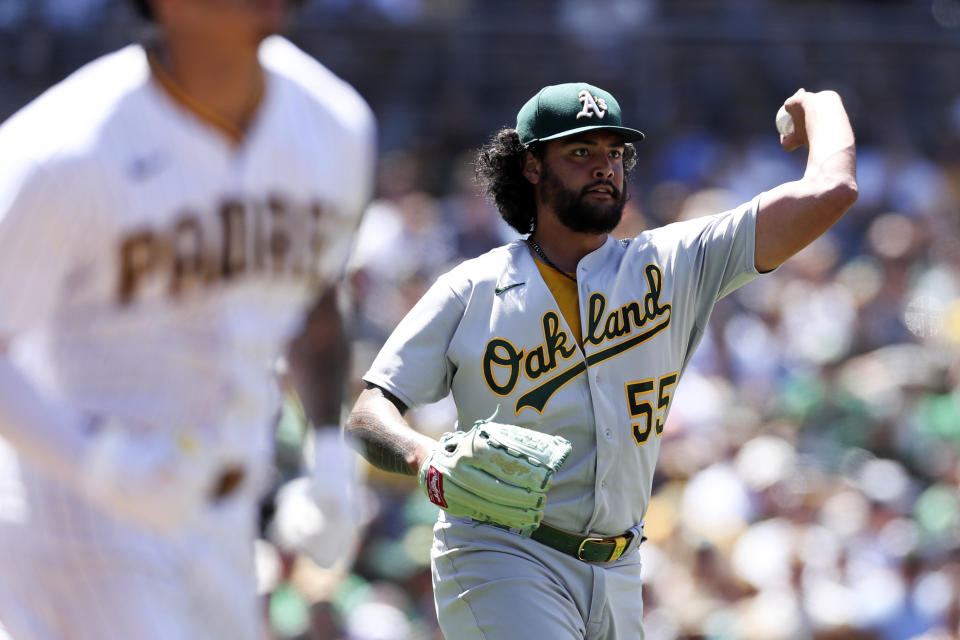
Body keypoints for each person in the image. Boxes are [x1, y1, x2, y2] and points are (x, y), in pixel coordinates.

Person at [344, 82, 857, 639]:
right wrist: (424, 456)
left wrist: (821, 103)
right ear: (533, 167)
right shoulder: (472, 289)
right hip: (500, 554)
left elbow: (832, 190)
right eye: (581, 152)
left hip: (619, 568)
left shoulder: (674, 263)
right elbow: (369, 413)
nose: (605, 167)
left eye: (615, 152)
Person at [0, 0, 375, 638]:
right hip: (76, 512)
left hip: (224, 512)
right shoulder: (62, 145)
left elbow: (313, 297)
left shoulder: (335, 124)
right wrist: (100, 465)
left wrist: (329, 451)